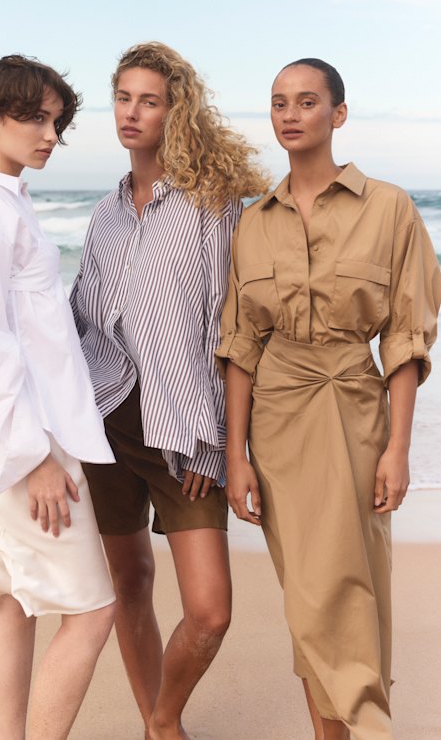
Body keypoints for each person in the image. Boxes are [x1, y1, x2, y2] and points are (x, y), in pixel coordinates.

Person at [217, 57, 441, 740]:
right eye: (279, 102)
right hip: (276, 421)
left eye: (307, 101)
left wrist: (398, 449)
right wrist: (236, 455)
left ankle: (366, 727)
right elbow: (240, 345)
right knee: (308, 594)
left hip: (355, 409)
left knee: (355, 579)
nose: (290, 114)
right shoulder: (253, 223)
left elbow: (404, 338)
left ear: (338, 114)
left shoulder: (390, 207)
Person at [70, 41, 269, 740]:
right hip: (105, 421)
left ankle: (162, 717)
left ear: (174, 111)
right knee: (130, 584)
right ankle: (161, 730)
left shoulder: (215, 206)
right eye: (123, 98)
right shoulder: (105, 213)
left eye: (148, 101)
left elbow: (231, 326)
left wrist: (220, 444)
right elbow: (81, 319)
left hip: (186, 435)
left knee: (210, 611)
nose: (131, 112)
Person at [0, 55, 116, 740]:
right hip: (28, 448)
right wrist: (36, 456)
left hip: (20, 441)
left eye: (57, 122)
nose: (51, 135)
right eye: (36, 119)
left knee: (15, 603)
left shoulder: (6, 198)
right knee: (93, 611)